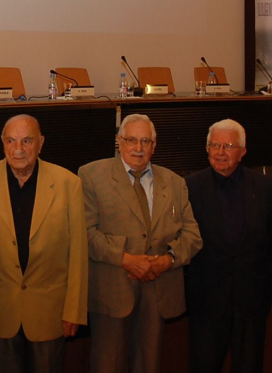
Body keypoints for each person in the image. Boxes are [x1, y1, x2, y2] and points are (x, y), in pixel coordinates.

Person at [79, 114, 202, 373]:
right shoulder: (91, 176)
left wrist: (167, 261)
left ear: (154, 146)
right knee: (107, 366)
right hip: (112, 291)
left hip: (158, 292)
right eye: (131, 140)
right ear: (119, 142)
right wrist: (126, 260)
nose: (138, 148)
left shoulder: (175, 183)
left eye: (145, 141)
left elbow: (193, 236)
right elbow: (85, 234)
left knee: (149, 365)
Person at [0, 114, 87, 373]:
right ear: (2, 143)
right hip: (0, 311)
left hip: (50, 314)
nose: (18, 149)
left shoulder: (68, 184)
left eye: (26, 141)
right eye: (11, 141)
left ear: (41, 143)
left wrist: (74, 311)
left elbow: (78, 254)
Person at [183, 119, 272, 373]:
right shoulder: (189, 187)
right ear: (207, 148)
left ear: (243, 151)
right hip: (207, 301)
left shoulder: (265, 187)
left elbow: (271, 243)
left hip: (251, 301)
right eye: (214, 145)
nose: (220, 152)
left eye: (228, 145)